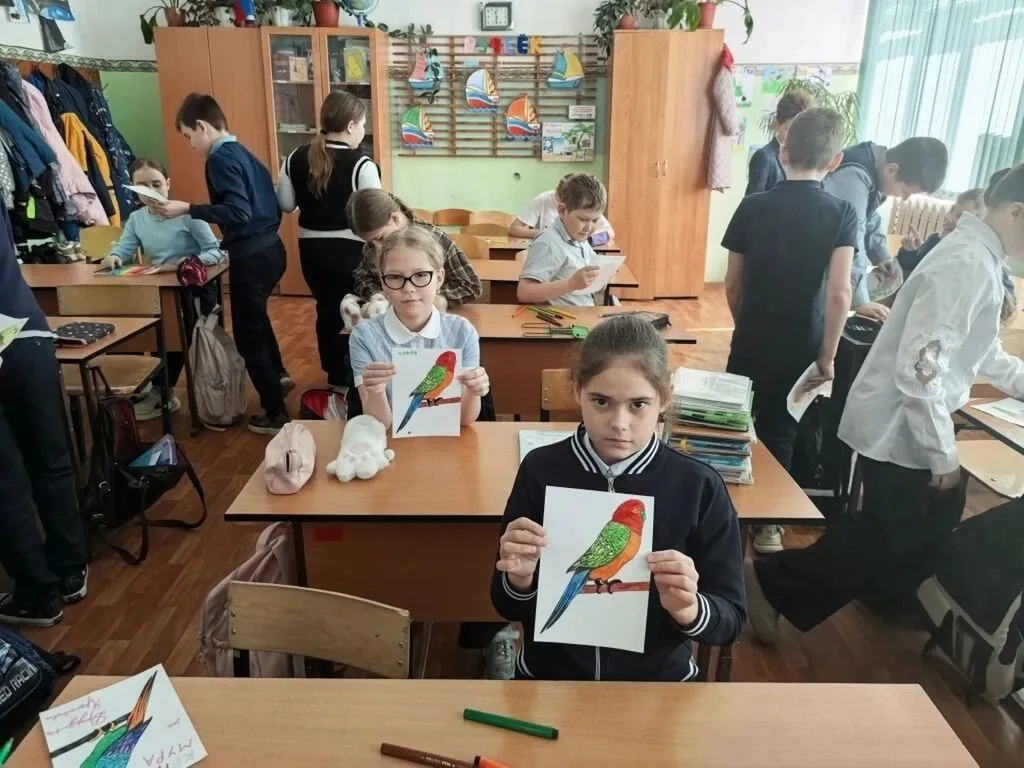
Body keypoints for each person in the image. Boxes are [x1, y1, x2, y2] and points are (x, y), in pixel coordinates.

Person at [746, 164, 1024, 645]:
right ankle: (772, 584)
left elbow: (981, 351)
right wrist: (942, 454)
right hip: (902, 421)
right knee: (887, 530)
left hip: (910, 416)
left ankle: (890, 596)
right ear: (1016, 212)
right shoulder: (968, 264)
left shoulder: (981, 258)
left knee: (922, 520)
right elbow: (920, 371)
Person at [491, 314, 745, 680]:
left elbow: (731, 619)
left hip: (657, 685)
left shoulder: (699, 485)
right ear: (577, 390)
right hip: (549, 679)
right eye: (601, 402)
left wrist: (689, 608)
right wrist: (520, 579)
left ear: (664, 399)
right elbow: (505, 603)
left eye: (638, 404)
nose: (619, 423)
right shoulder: (540, 469)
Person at [723, 108, 856, 555]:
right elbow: (839, 292)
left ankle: (724, 515)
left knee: (735, 422)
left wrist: (744, 325)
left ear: (782, 151)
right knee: (781, 430)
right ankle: (768, 526)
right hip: (803, 342)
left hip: (750, 337)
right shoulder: (841, 212)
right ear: (834, 160)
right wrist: (828, 355)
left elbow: (733, 282)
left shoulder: (752, 206)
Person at [157, 93, 291, 435]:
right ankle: (278, 377)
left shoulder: (220, 158)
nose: (191, 145)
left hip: (252, 256)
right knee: (256, 320)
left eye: (189, 136)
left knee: (248, 337)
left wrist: (188, 208)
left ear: (202, 126)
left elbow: (239, 212)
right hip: (271, 249)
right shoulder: (244, 154)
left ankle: (275, 412)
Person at [0, 203, 87, 627]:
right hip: (25, 331)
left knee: (5, 483)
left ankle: (37, 594)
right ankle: (70, 570)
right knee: (51, 462)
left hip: (15, 334)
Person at [101, 158, 224, 421]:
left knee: (173, 338)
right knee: (139, 331)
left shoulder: (188, 215)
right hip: (158, 289)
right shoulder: (136, 219)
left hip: (192, 289)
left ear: (168, 183)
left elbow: (216, 251)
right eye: (142, 186)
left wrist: (188, 262)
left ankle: (162, 393)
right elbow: (124, 249)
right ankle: (149, 386)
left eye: (156, 184)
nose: (151, 191)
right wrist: (114, 257)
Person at [277, 92, 381, 391]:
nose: (362, 130)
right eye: (362, 124)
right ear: (350, 126)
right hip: (350, 250)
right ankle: (356, 375)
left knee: (327, 309)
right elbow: (374, 214)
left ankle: (335, 377)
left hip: (311, 250)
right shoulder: (362, 164)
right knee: (356, 310)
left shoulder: (295, 157)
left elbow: (286, 204)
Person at [348, 225, 490, 430]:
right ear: (383, 282)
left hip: (445, 441)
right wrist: (376, 391)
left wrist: (474, 391)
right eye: (395, 277)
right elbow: (381, 424)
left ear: (439, 278)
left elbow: (465, 420)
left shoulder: (462, 332)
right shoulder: (364, 337)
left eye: (421, 275)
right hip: (392, 441)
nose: (409, 288)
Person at [824, 136, 949, 323]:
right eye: (906, 191)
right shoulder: (853, 176)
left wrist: (881, 256)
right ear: (891, 170)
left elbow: (868, 216)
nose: (905, 198)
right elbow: (853, 237)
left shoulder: (877, 165)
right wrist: (860, 301)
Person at [347, 189, 481, 307]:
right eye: (370, 241)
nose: (377, 247)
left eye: (380, 238)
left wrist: (425, 295)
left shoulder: (435, 238)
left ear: (395, 218)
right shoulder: (372, 244)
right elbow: (362, 278)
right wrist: (379, 295)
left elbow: (469, 286)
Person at [516, 173, 606, 307]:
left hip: (586, 313)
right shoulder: (548, 243)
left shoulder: (578, 237)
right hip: (564, 317)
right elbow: (524, 293)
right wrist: (571, 284)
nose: (589, 228)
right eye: (583, 219)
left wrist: (600, 277)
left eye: (595, 220)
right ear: (562, 211)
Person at [896, 188, 985, 277]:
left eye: (960, 216)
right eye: (952, 211)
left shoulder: (964, 261)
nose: (948, 217)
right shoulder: (935, 239)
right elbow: (912, 265)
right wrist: (909, 251)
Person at [745, 88, 812, 196]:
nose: (795, 137)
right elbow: (751, 202)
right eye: (789, 129)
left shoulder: (806, 157)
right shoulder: (764, 157)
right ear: (777, 124)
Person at [508, 174, 615, 240]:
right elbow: (514, 228)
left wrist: (587, 237)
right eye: (582, 219)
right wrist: (548, 234)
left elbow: (610, 232)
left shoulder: (584, 204)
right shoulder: (543, 200)